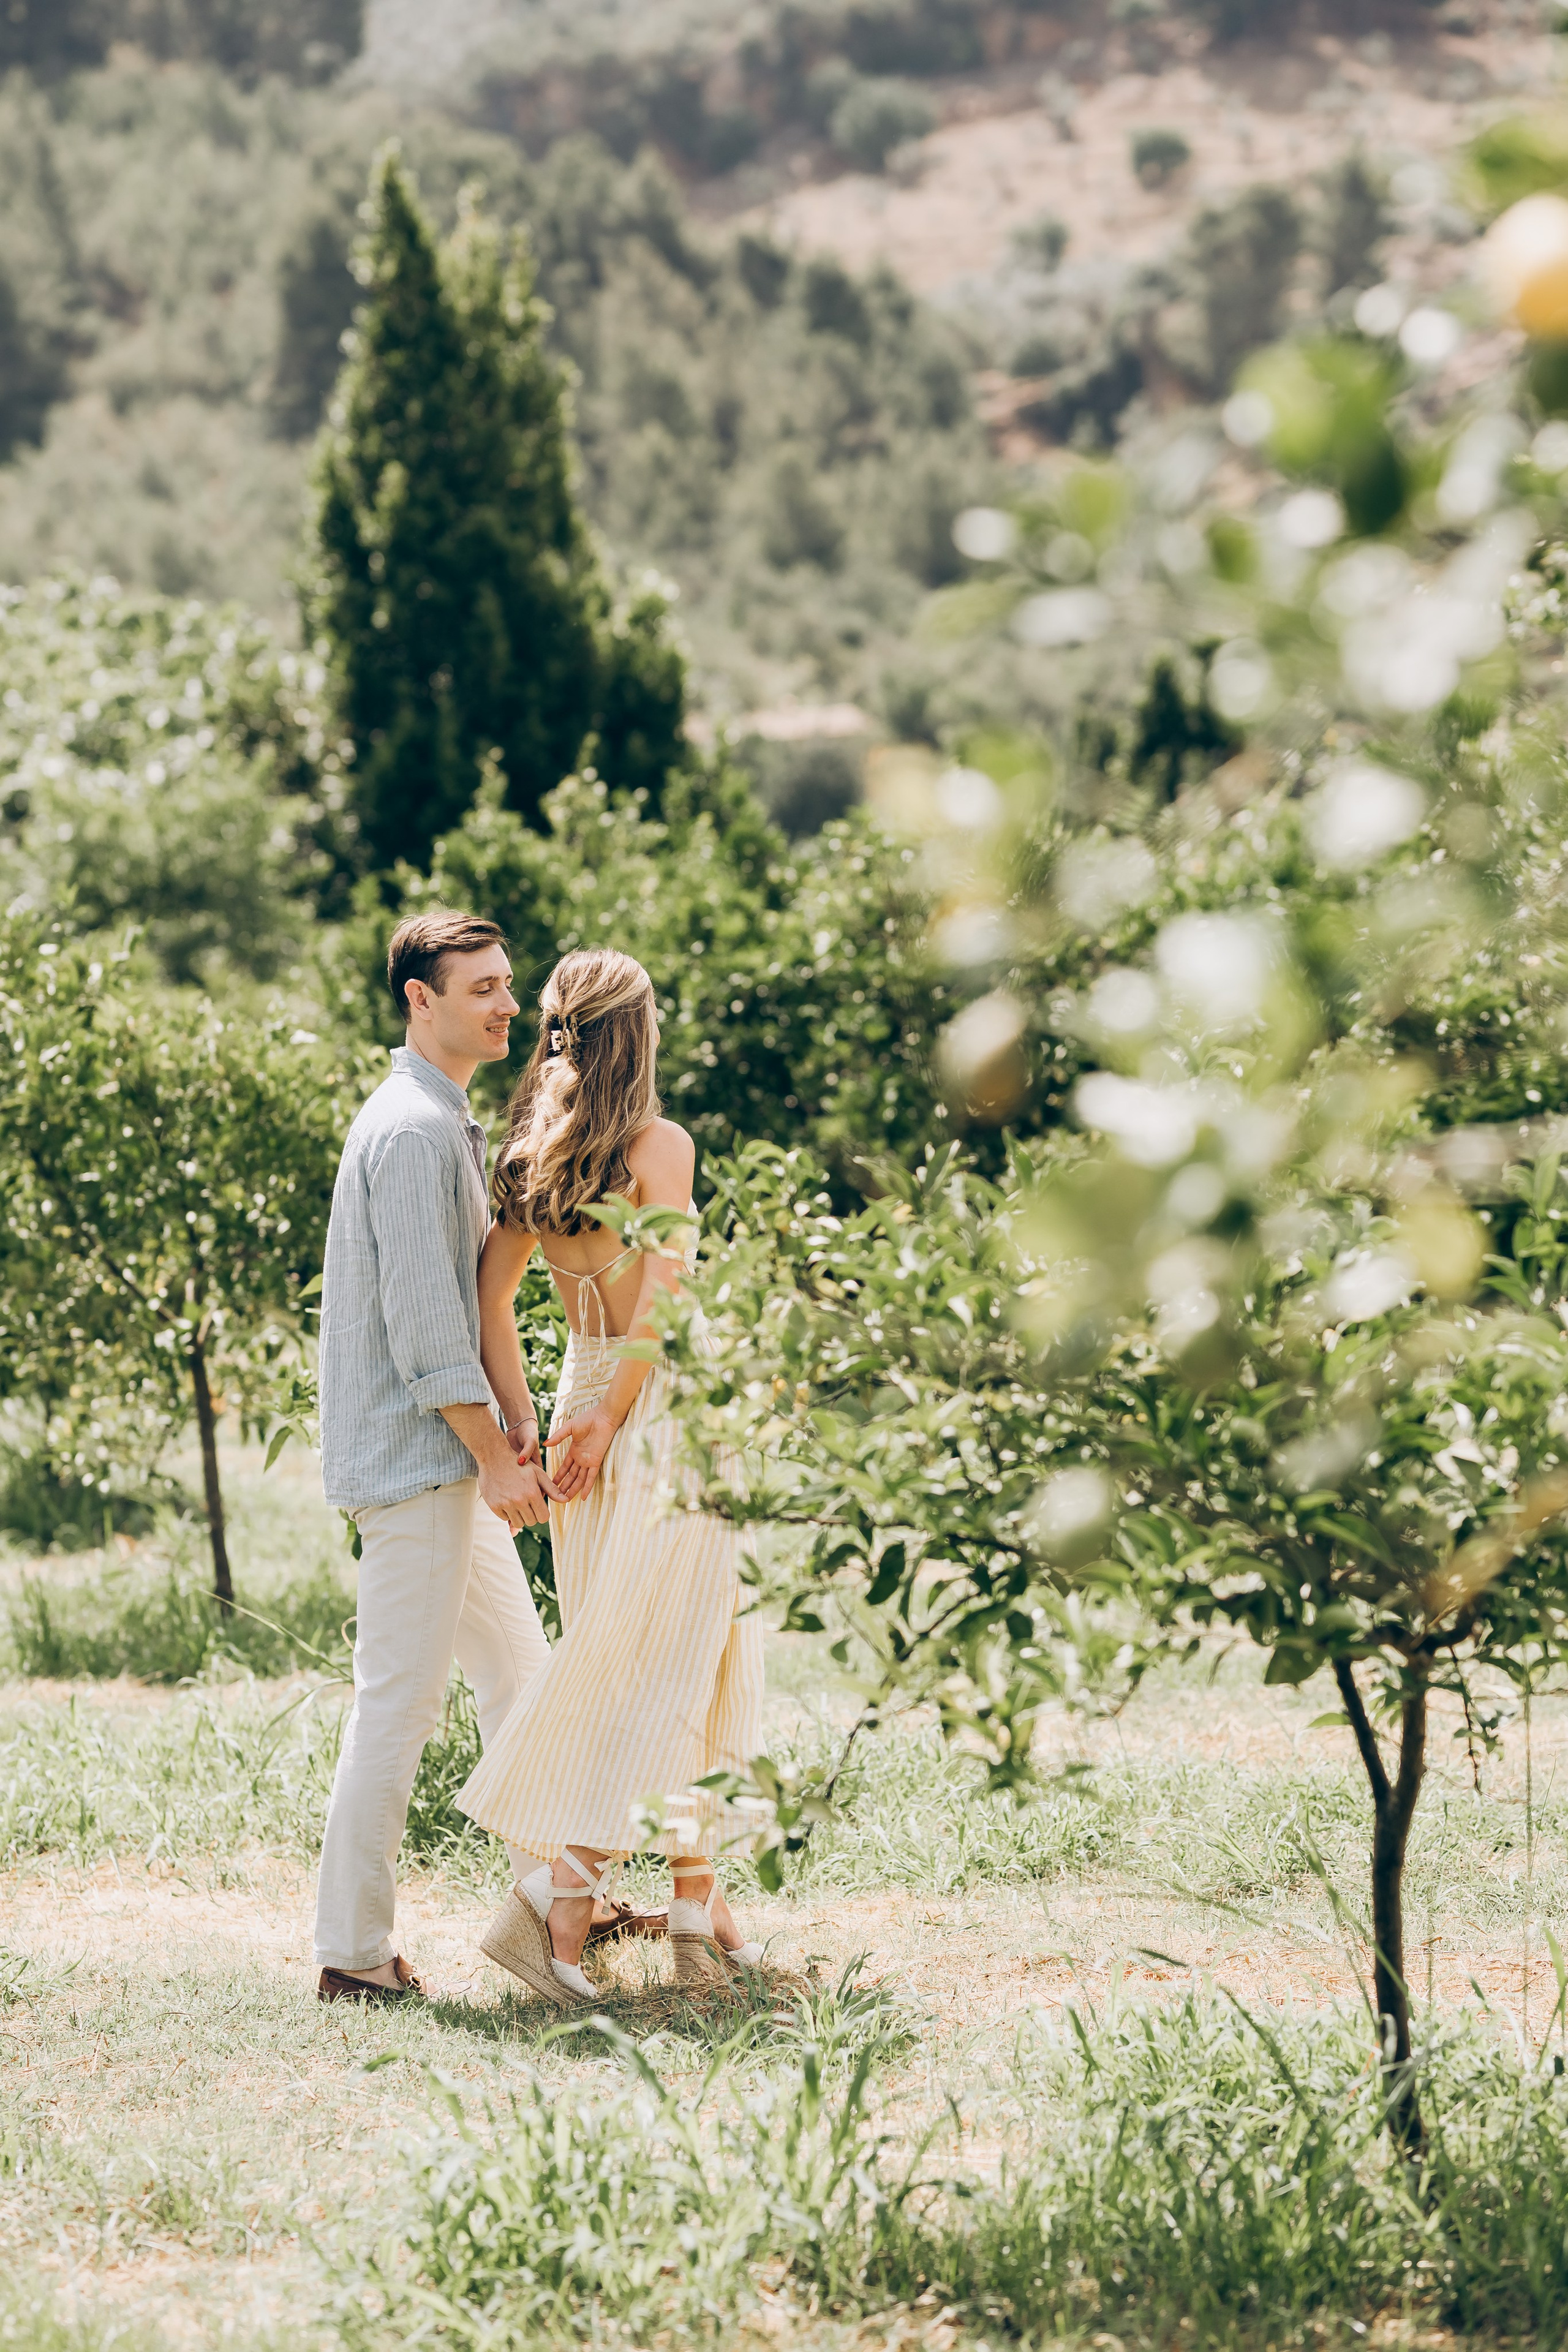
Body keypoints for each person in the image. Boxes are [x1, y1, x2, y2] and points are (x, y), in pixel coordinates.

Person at [312, 913, 655, 2003]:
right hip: (417, 1468)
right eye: (483, 989)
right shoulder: (414, 1132)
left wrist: (514, 1421)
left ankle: (561, 1904)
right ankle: (355, 1957)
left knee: (525, 1681)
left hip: (450, 1459)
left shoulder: (449, 1120)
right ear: (422, 999)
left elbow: (475, 1304)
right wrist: (497, 1459)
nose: (511, 1005)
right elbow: (425, 1328)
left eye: (511, 984)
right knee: (399, 1706)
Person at [455, 948, 766, 2005]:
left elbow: (492, 1300)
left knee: (672, 1651)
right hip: (663, 1408)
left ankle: (696, 1912)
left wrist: (535, 1413)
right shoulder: (657, 1145)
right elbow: (667, 1308)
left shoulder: (531, 1154)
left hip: (585, 1376)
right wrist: (604, 1422)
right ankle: (559, 1908)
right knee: (657, 1665)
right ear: (641, 1033)